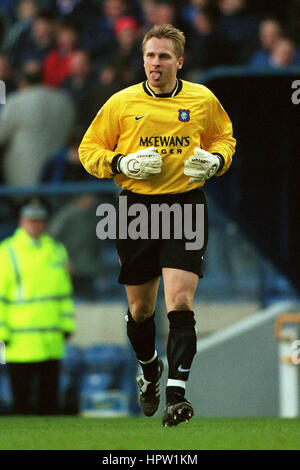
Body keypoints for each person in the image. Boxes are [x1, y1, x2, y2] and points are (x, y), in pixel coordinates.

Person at [79, 24, 236, 427]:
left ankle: (177, 396)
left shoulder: (202, 99)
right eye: (150, 55)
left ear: (179, 61)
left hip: (185, 205)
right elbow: (88, 148)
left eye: (164, 56)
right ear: (142, 59)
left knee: (180, 302)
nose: (156, 63)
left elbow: (225, 139)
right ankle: (150, 370)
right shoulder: (121, 103)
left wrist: (216, 162)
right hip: (135, 209)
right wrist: (121, 163)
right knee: (140, 310)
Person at [0, 200, 76, 414]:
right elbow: (1, 297)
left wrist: (66, 325)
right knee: (21, 402)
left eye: (39, 221)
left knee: (49, 400)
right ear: (21, 222)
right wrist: (2, 334)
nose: (35, 226)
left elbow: (63, 293)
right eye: (30, 221)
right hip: (18, 340)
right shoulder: (7, 252)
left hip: (51, 337)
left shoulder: (56, 250)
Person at [0, 62, 75, 186]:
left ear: (22, 81)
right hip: (59, 182)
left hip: (22, 183)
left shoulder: (15, 102)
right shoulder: (65, 101)